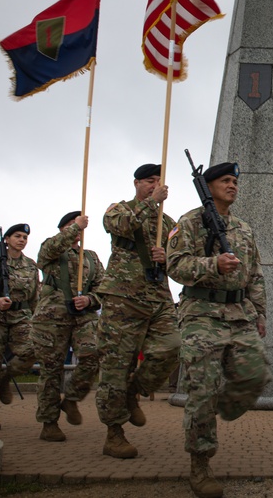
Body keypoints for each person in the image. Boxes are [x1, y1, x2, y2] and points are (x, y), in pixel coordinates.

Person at [166, 160, 269, 498]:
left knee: (256, 372)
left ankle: (227, 403)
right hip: (201, 314)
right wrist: (213, 264)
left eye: (235, 182)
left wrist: (260, 313)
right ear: (209, 186)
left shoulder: (243, 228)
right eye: (225, 181)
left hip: (239, 311)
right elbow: (175, 265)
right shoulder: (189, 222)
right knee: (203, 391)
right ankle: (200, 463)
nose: (233, 186)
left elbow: (254, 273)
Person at [96, 163, 180, 459]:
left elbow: (182, 261)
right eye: (148, 181)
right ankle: (114, 433)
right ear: (136, 184)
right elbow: (123, 226)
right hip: (123, 298)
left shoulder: (168, 223)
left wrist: (166, 257)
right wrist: (150, 202)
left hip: (158, 297)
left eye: (159, 181)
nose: (155, 185)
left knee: (173, 346)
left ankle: (135, 390)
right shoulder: (118, 209)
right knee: (117, 365)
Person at [30, 211, 105, 442]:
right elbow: (47, 252)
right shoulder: (51, 249)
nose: (78, 229)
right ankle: (49, 422)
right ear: (63, 228)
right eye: (72, 225)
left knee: (93, 355)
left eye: (80, 225)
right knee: (51, 369)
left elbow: (103, 287)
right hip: (52, 317)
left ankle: (71, 398)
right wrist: (75, 227)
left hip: (82, 316)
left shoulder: (91, 257)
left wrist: (90, 300)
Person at [0, 223, 39, 431]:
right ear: (7, 240)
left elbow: (34, 296)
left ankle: (6, 377)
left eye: (25, 237)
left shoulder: (31, 265)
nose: (22, 240)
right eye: (18, 236)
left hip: (20, 316)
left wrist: (36, 318)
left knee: (32, 350)